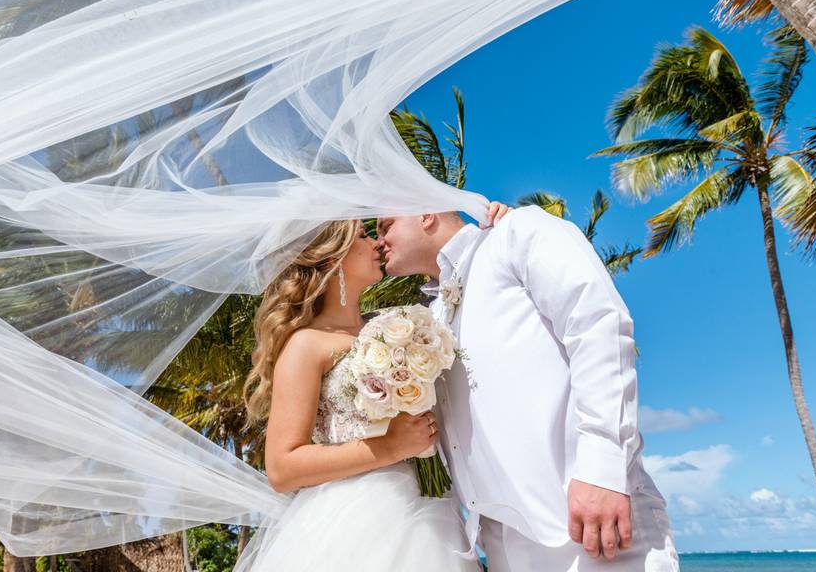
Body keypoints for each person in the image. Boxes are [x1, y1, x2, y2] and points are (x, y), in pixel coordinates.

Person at [376, 206, 679, 572]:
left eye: (384, 226)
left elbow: (598, 326)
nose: (379, 241)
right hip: (502, 546)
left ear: (425, 214)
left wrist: (603, 471)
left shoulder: (517, 232)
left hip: (591, 527)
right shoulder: (432, 313)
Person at [233, 202, 511, 572]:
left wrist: (494, 234)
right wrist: (390, 446)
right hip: (356, 521)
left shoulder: (396, 324)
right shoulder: (306, 345)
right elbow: (282, 467)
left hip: (431, 513)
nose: (378, 244)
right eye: (364, 236)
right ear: (334, 261)